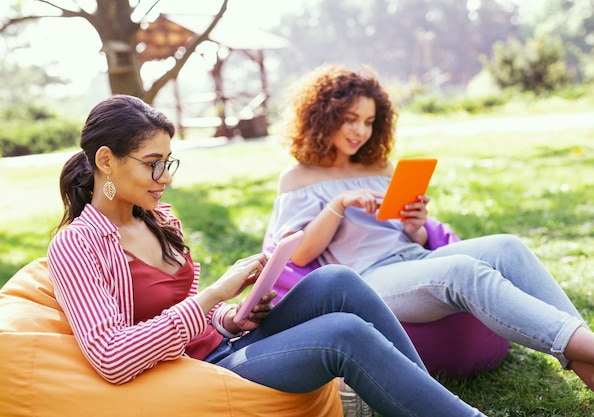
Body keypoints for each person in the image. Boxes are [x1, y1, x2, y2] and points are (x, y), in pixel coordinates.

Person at [46, 94, 487, 416]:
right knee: (342, 334)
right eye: (152, 163)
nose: (166, 178)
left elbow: (190, 316)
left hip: (224, 343)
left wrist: (232, 316)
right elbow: (111, 356)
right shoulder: (77, 245)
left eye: (169, 162)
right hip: (195, 372)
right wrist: (212, 296)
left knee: (337, 281)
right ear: (106, 160)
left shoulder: (157, 219)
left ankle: (424, 397)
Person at [271, 64, 594, 391]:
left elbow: (407, 236)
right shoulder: (298, 177)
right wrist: (337, 205)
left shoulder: (380, 166)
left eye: (369, 122)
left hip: (412, 258)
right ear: (324, 116)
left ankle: (588, 366)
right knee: (462, 271)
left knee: (507, 246)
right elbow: (299, 254)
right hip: (367, 280)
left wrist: (416, 226)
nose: (361, 131)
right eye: (351, 119)